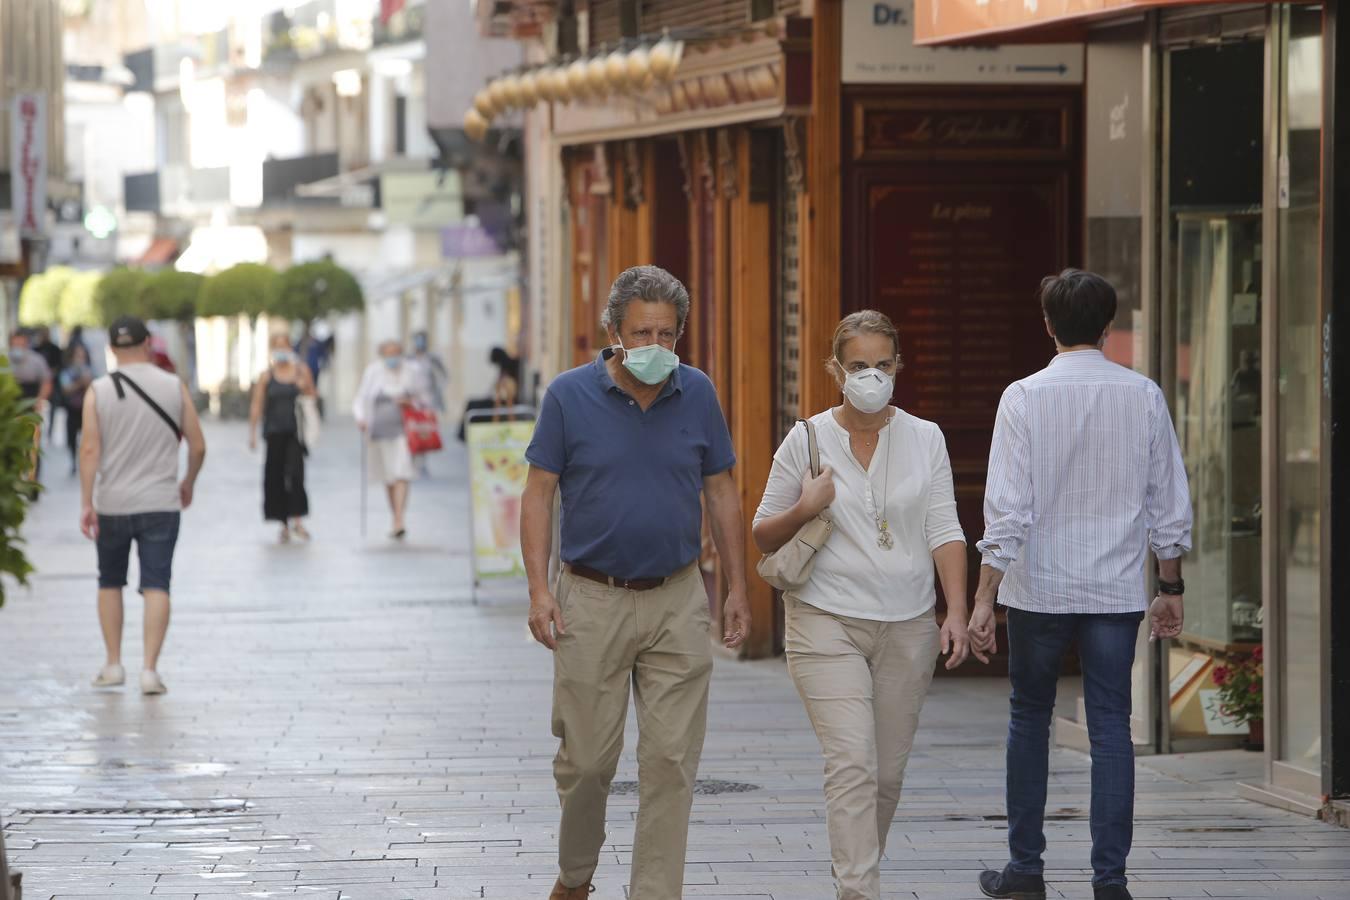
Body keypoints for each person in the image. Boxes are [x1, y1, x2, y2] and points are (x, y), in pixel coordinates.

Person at [520, 265, 753, 900]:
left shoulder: (698, 393)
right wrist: (539, 591)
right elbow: (539, 495)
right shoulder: (568, 397)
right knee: (589, 763)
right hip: (590, 599)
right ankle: (575, 876)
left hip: (677, 598)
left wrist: (736, 586)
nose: (656, 346)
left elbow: (723, 490)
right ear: (614, 333)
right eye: (642, 333)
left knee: (671, 762)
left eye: (668, 334)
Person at [969, 270, 1192, 900]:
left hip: (1038, 587)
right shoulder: (1143, 395)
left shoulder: (1022, 397)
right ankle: (1110, 881)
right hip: (1115, 592)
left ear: (1048, 324)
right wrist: (1170, 584)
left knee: (1028, 717)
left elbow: (1007, 512)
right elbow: (1167, 502)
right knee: (1111, 726)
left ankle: (1025, 871)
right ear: (1108, 326)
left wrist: (985, 599)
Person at [752, 310, 972, 900]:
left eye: (881, 364)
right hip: (826, 619)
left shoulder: (926, 438)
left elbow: (945, 529)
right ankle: (859, 890)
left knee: (886, 775)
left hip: (908, 624)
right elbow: (763, 533)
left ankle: (854, 869)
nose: (870, 375)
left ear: (898, 367)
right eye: (857, 365)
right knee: (852, 762)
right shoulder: (807, 439)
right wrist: (805, 505)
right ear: (836, 370)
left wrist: (955, 611)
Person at [79, 316, 207, 696]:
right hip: (161, 501)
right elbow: (198, 445)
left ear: (112, 349)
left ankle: (113, 664)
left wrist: (87, 501)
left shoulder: (98, 391)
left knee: (110, 581)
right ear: (148, 344)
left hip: (113, 502)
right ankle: (150, 670)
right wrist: (188, 483)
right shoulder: (173, 386)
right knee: (156, 583)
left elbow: (89, 449)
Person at [353, 340, 426, 539]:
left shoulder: (411, 371)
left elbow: (424, 398)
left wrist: (409, 402)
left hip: (404, 431)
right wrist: (361, 419)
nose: (393, 357)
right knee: (388, 476)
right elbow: (361, 398)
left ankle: (400, 518)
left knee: (401, 472)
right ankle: (395, 515)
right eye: (389, 353)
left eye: (396, 353)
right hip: (378, 431)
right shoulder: (373, 372)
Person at [249, 333, 316, 543]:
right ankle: (283, 523)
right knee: (275, 476)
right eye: (276, 347)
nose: (280, 351)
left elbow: (313, 396)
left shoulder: (300, 371)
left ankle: (297, 519)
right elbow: (257, 404)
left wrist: (302, 385)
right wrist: (252, 432)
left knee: (296, 475)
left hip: (295, 432)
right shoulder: (266, 376)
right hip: (274, 432)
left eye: (283, 346)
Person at [9, 329, 53, 487]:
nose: (18, 347)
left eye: (21, 344)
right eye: (15, 344)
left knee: (33, 445)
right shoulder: (4, 360)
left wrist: (40, 400)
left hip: (30, 406)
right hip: (10, 408)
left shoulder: (37, 361)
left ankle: (33, 482)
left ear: (26, 344)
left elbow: (47, 381)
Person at [60, 344, 95, 475]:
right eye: (77, 355)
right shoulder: (67, 372)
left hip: (86, 410)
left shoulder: (89, 370)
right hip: (72, 409)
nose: (80, 358)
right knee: (72, 438)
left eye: (82, 355)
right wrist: (80, 382)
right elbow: (66, 389)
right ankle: (73, 461)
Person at [34, 326, 64, 444]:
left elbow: (60, 365)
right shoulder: (36, 349)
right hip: (39, 384)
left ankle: (50, 432)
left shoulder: (55, 349)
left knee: (53, 409)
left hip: (53, 383)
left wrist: (51, 374)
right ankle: (38, 429)